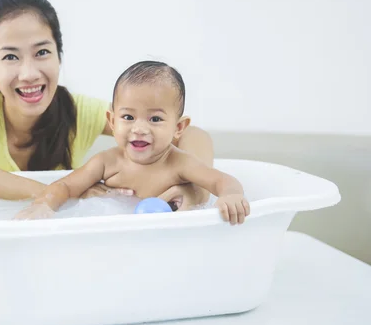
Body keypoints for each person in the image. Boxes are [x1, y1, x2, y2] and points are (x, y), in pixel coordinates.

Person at [0, 0, 214, 208]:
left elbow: (193, 135)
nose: (29, 73)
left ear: (59, 55)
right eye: (10, 57)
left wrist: (195, 192)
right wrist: (56, 191)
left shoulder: (78, 110)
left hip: (48, 255)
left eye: (42, 52)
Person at [14, 61, 250, 225]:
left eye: (155, 119)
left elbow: (223, 181)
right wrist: (43, 205)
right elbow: (65, 187)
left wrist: (230, 195)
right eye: (128, 117)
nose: (139, 128)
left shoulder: (179, 163)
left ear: (178, 128)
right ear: (112, 120)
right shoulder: (108, 162)